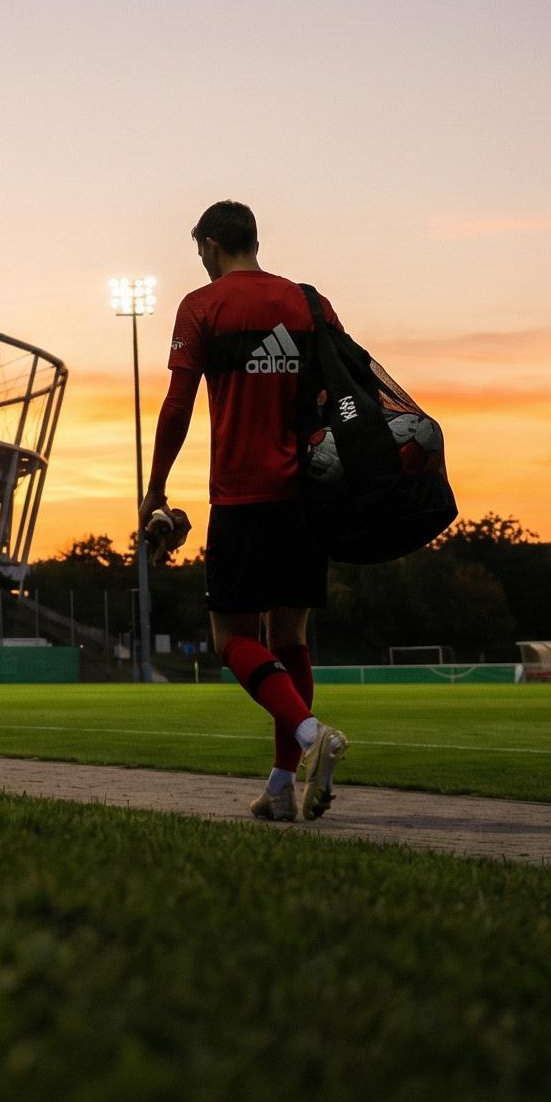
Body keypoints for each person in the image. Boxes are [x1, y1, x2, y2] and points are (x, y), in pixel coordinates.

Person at [141, 200, 347, 822]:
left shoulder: (202, 306)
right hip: (307, 498)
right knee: (291, 638)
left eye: (198, 249)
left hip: (242, 494)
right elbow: (343, 391)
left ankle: (310, 736)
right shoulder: (308, 302)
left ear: (208, 245)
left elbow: (177, 406)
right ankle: (282, 788)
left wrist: (156, 490)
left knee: (231, 638)